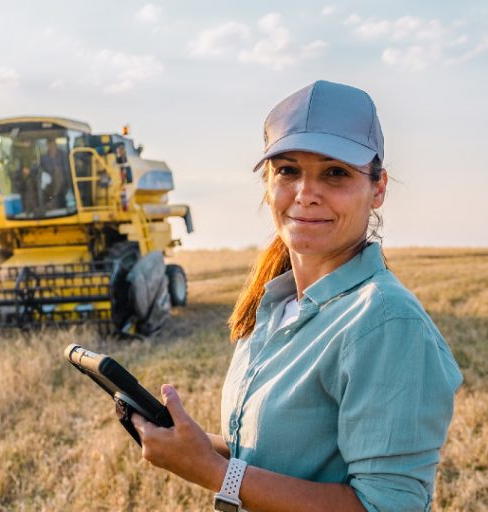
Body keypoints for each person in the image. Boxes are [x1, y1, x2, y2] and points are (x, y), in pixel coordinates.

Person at [129, 80, 463, 511]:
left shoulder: (386, 321)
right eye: (288, 170)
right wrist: (191, 444)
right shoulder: (277, 305)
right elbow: (276, 459)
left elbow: (386, 506)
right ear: (267, 183)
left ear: (377, 188)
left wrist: (214, 473)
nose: (306, 194)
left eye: (335, 173)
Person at [39, 138, 71, 209]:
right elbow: (41, 171)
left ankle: (54, 200)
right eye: (49, 145)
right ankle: (52, 201)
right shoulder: (43, 158)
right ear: (47, 146)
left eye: (53, 145)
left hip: (65, 182)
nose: (51, 147)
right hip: (49, 183)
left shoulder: (64, 155)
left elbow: (68, 169)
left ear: (56, 145)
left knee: (57, 171)